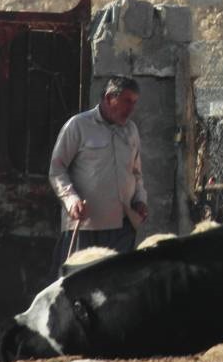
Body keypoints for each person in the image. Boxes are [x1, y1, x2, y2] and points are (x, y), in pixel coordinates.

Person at [48, 75, 149, 279]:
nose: (131, 108)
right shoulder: (78, 126)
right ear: (110, 97)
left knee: (117, 285)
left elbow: (136, 173)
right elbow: (57, 169)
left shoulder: (131, 130)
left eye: (134, 102)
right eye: (127, 101)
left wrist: (140, 200)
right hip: (85, 226)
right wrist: (71, 200)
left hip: (122, 227)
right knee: (77, 284)